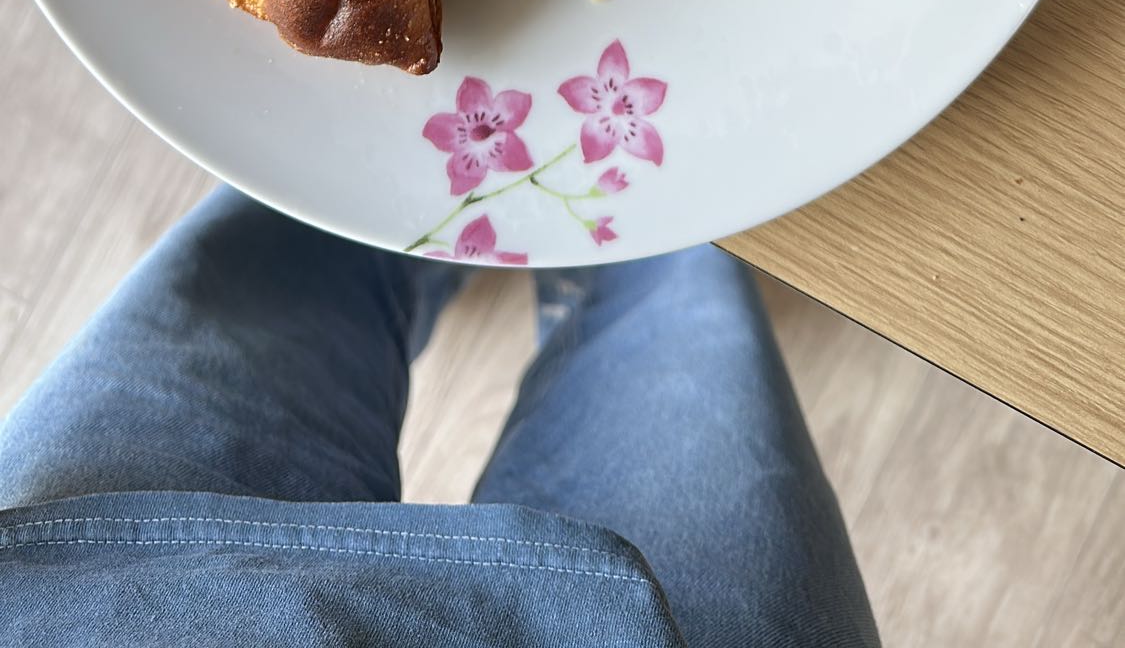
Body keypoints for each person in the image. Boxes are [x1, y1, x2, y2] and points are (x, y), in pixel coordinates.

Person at [0, 188, 880, 645]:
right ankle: (624, 224)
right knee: (670, 303)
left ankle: (480, 185)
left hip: (74, 586)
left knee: (307, 227)